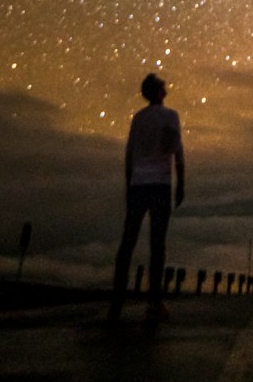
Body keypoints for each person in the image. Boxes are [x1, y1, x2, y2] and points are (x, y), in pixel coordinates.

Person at [108, 73, 185, 325]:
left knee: (127, 242)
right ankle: (154, 303)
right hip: (160, 184)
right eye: (164, 86)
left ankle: (116, 301)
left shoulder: (138, 119)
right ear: (159, 92)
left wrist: (129, 187)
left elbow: (129, 155)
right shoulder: (170, 116)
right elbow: (175, 151)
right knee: (157, 245)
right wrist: (180, 183)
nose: (167, 88)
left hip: (139, 184)